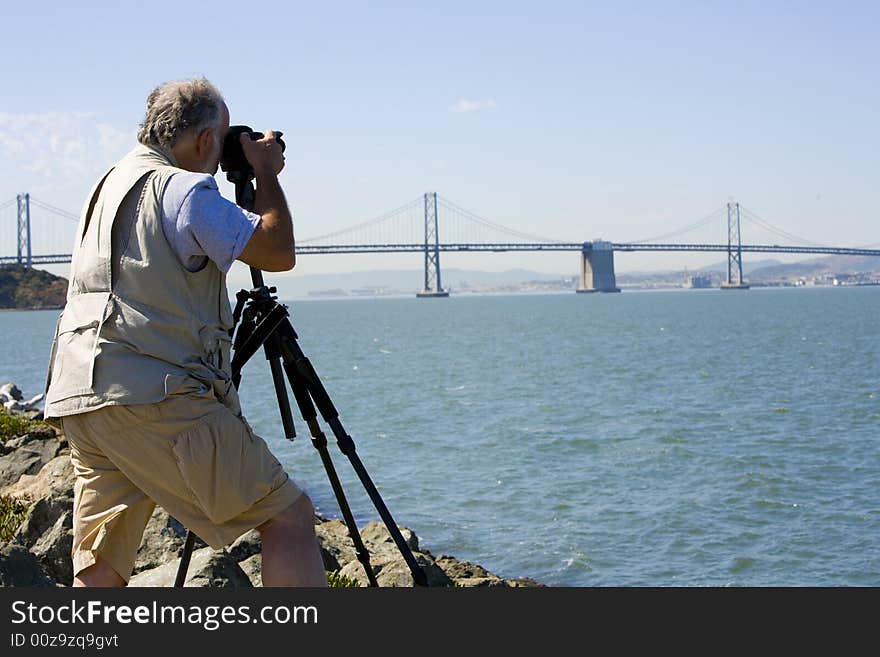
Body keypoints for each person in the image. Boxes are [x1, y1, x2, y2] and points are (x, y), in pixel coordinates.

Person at [43, 77, 327, 587]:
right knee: (289, 518)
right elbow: (277, 251)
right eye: (221, 142)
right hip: (151, 395)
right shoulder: (184, 189)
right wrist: (264, 172)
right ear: (202, 141)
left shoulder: (108, 183)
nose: (221, 158)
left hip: (81, 393)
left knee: (102, 564)